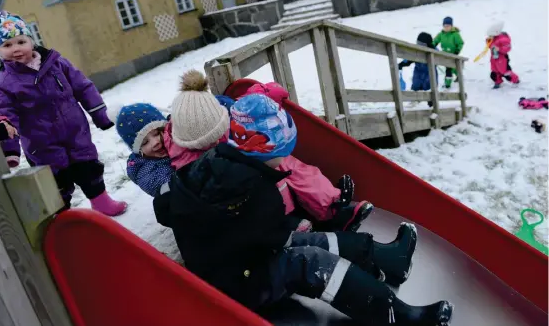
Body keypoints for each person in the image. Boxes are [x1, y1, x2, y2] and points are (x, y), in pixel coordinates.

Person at [154, 93, 453, 325]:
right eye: (281, 154)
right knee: (310, 260)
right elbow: (276, 239)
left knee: (310, 239)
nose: (284, 160)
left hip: (230, 264)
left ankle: (390, 259)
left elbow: (163, 206)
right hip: (239, 287)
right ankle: (397, 316)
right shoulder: (257, 190)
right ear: (263, 152)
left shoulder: (205, 168)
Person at [164, 70, 373, 231]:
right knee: (270, 181)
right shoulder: (181, 154)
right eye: (199, 143)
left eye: (214, 136)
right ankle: (291, 221)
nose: (208, 144)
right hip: (238, 190)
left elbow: (246, 105)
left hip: (249, 152)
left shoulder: (226, 111)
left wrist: (264, 94)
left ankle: (331, 206)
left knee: (288, 163)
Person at [0, 11, 127, 216]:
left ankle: (101, 201)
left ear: (31, 41)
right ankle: (63, 218)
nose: (16, 49)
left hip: (76, 132)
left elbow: (82, 87)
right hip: (41, 144)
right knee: (56, 183)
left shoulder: (57, 63)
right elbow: (7, 117)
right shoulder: (4, 85)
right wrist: (10, 151)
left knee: (89, 167)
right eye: (7, 45)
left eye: (21, 41)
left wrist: (99, 114)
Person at [110, 103, 173, 197]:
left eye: (156, 133)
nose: (155, 142)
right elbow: (161, 186)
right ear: (138, 150)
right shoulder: (143, 169)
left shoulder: (177, 134)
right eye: (144, 142)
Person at [398, 32, 438, 106]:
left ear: (427, 44)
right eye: (418, 43)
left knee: (429, 87)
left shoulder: (433, 52)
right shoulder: (416, 50)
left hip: (429, 73)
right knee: (416, 86)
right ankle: (414, 101)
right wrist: (403, 63)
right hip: (418, 72)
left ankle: (431, 103)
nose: (419, 46)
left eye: (422, 44)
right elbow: (410, 58)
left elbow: (440, 59)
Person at [486, 22, 520, 89]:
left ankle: (515, 79)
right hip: (494, 57)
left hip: (502, 58)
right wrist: (488, 41)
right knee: (494, 71)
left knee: (505, 71)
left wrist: (499, 49)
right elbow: (490, 46)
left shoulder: (503, 39)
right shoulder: (493, 38)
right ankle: (497, 81)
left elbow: (507, 48)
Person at [433, 17, 464, 89]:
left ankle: (447, 84)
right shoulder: (441, 34)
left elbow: (460, 43)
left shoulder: (455, 34)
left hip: (453, 54)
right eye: (445, 26)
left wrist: (457, 51)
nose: (446, 28)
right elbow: (435, 40)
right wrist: (433, 45)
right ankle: (459, 75)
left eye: (448, 26)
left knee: (449, 68)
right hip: (444, 54)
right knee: (451, 67)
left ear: (451, 26)